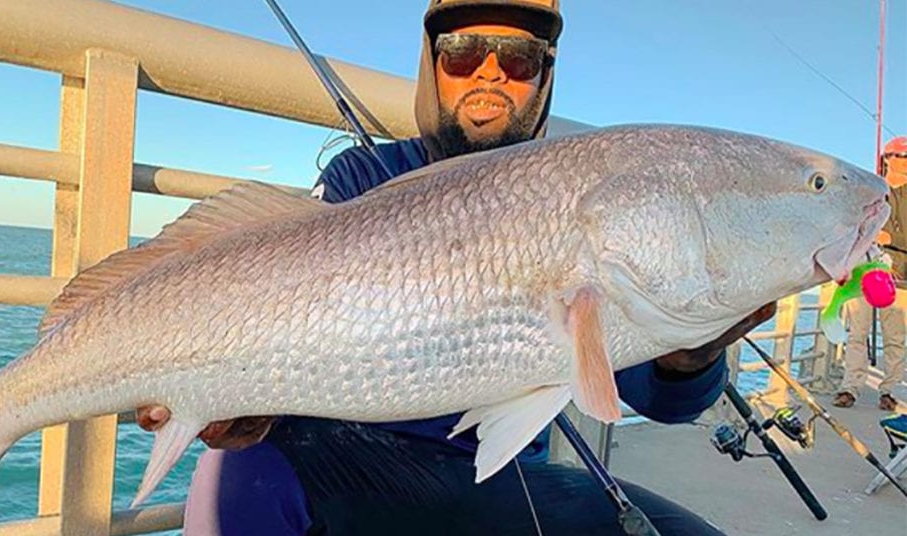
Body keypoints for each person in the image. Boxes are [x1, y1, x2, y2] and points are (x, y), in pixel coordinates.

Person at [138, 1, 776, 533]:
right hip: (352, 460)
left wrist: (691, 355)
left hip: (502, 477)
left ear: (544, 77)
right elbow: (286, 325)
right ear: (433, 66)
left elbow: (657, 398)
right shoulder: (359, 178)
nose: (490, 73)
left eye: (519, 59)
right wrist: (248, 407)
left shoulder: (586, 196)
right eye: (463, 52)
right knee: (240, 472)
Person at [834, 136, 907, 411]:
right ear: (887, 158)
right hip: (862, 271)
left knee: (895, 337)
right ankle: (850, 387)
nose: (905, 162)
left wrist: (892, 238)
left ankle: (889, 391)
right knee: (857, 333)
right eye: (901, 156)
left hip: (899, 276)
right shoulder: (869, 190)